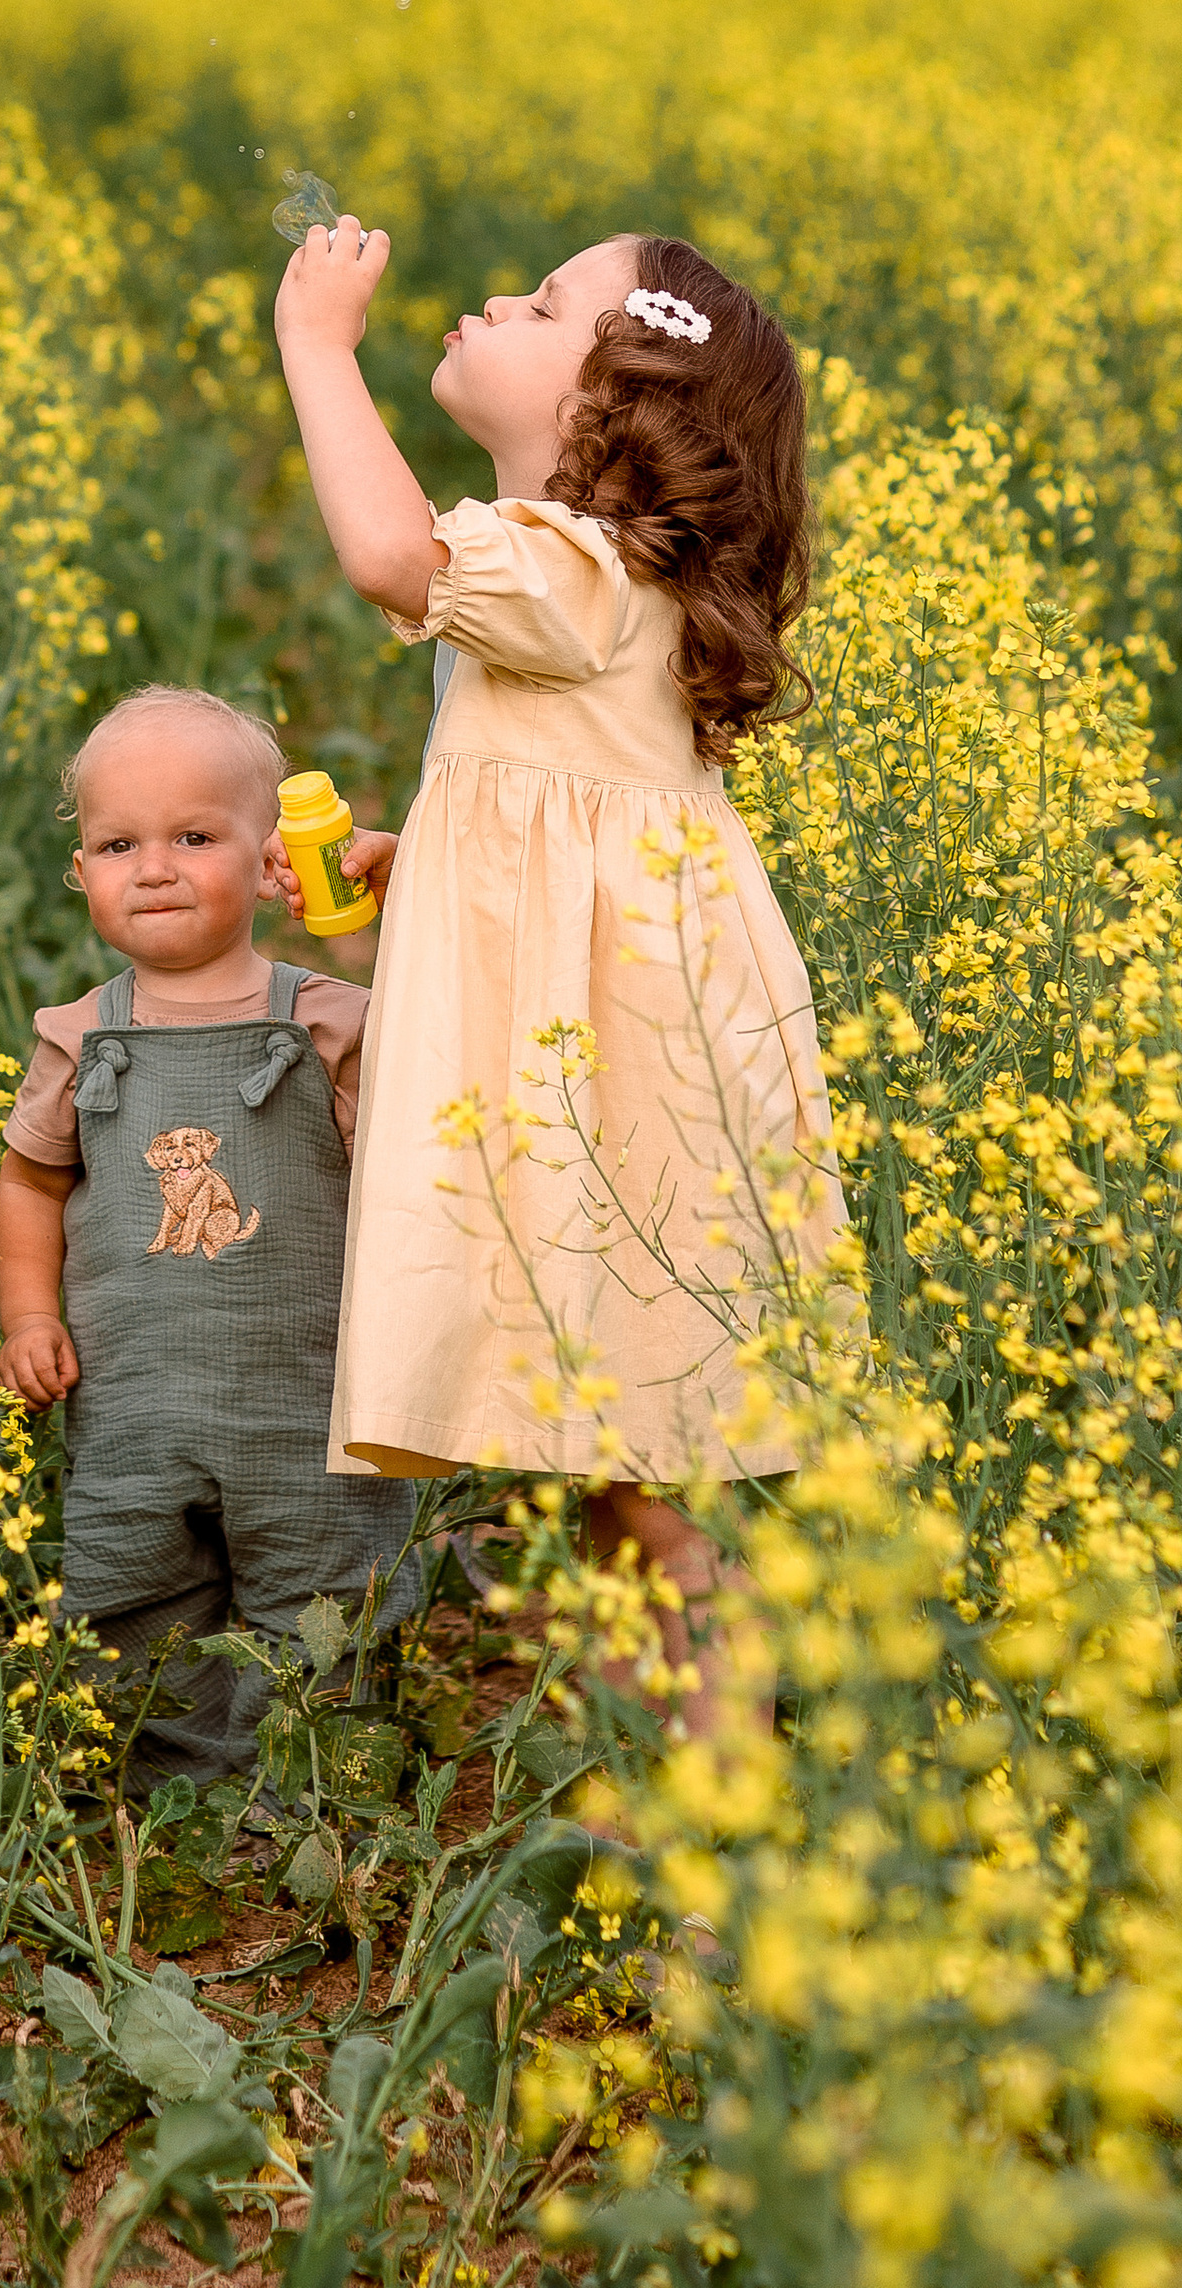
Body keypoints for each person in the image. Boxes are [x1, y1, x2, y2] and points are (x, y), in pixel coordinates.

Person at [272, 220, 844, 1734]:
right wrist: (430, 852)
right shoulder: (592, 581)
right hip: (626, 1036)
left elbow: (389, 551)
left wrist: (318, 345)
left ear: (616, 409)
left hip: (618, 1063)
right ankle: (685, 1806)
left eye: (545, 304)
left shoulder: (574, 568)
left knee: (641, 1486)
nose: (497, 297)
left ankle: (732, 1820)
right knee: (618, 1467)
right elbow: (557, 799)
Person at [0, 684, 418, 1787]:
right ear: (80, 872)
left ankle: (313, 1794)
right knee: (132, 1597)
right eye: (117, 843)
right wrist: (29, 1313)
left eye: (194, 836)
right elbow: (31, 1185)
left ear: (272, 857)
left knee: (323, 1595)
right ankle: (167, 1807)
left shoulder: (330, 1022)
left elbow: (415, 1173)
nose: (155, 867)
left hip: (307, 1394)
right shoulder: (79, 1039)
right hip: (134, 1398)